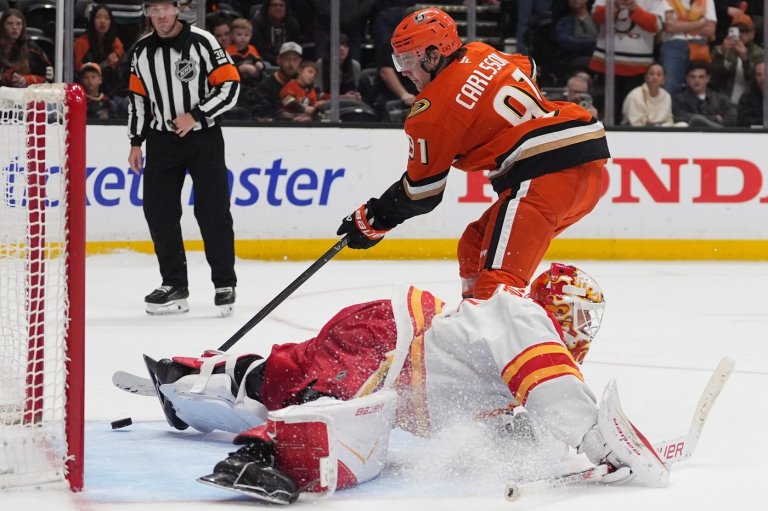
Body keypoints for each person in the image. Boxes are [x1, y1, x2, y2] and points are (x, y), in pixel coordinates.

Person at [145, 263, 669, 504]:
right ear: (556, 308)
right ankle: (257, 458)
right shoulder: (524, 317)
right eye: (579, 317)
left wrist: (544, 445)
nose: (583, 331)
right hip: (391, 339)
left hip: (390, 342)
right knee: (330, 408)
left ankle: (192, 377)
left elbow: (518, 419)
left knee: (292, 374)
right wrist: (600, 441)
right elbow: (552, 387)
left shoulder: (517, 348)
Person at [337, 8, 610, 301]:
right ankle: (471, 320)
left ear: (433, 54)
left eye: (407, 60)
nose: (403, 70)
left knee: (499, 289)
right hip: (588, 164)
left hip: (544, 180)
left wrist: (376, 217)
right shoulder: (480, 51)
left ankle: (497, 332)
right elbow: (527, 67)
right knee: (474, 244)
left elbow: (421, 193)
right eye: (398, 60)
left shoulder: (430, 113)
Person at [126, 0, 240, 316]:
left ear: (178, 9)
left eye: (165, 8)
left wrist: (196, 115)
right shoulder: (141, 52)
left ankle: (224, 283)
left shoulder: (203, 41)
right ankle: (174, 284)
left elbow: (230, 86)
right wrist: (136, 141)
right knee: (158, 211)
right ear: (147, 13)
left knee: (212, 210)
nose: (160, 16)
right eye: (153, 10)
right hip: (162, 141)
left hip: (203, 138)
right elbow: (138, 101)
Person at [589, 0, 667, 123]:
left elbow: (657, 25)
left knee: (633, 113)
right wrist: (615, 6)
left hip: (638, 68)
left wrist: (635, 9)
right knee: (602, 111)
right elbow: (596, 16)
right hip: (606, 65)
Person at [660, 0, 717, 95]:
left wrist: (680, 26)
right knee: (670, 86)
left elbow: (710, 30)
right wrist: (700, 23)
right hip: (673, 44)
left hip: (699, 46)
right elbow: (669, 27)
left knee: (698, 88)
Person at [710, 13, 764, 105]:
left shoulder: (760, 53)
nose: (741, 34)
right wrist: (721, 53)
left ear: (752, 34)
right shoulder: (720, 50)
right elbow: (711, 79)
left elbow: (758, 82)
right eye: (737, 30)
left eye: (744, 30)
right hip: (723, 103)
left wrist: (745, 59)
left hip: (749, 104)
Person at [74, 4, 125, 98]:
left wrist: (116, 61)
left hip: (110, 88)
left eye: (106, 18)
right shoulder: (81, 43)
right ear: (92, 21)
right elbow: (78, 69)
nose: (102, 21)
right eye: (98, 17)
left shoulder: (116, 43)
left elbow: (121, 68)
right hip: (86, 86)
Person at [672, 60, 737, 126]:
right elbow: (678, 118)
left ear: (708, 79)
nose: (697, 80)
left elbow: (732, 120)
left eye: (701, 77)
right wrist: (714, 119)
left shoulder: (721, 100)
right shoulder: (679, 100)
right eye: (693, 77)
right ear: (687, 79)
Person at [0, 8, 53, 87]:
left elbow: (46, 77)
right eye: (9, 23)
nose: (14, 27)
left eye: (18, 24)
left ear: (23, 26)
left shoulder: (31, 48)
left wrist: (27, 80)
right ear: (2, 26)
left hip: (25, 92)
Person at [251, 41, 302, 120]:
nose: (291, 63)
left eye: (295, 59)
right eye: (287, 59)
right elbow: (260, 114)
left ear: (300, 62)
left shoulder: (305, 84)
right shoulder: (266, 86)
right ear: (279, 60)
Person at [225, 17, 265, 113]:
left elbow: (258, 60)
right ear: (232, 36)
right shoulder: (228, 51)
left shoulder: (252, 49)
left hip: (252, 83)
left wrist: (260, 65)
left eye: (246, 35)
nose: (243, 37)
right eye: (239, 34)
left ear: (251, 36)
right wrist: (242, 68)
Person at [251, 0, 302, 65]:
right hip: (263, 60)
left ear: (286, 8)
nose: (278, 8)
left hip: (288, 61)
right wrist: (276, 60)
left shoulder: (293, 24)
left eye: (281, 5)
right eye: (274, 5)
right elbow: (258, 49)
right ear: (267, 8)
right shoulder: (258, 23)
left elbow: (295, 46)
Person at [736, 60, 765, 127]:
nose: (763, 78)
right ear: (755, 77)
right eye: (759, 75)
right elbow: (743, 121)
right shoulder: (747, 97)